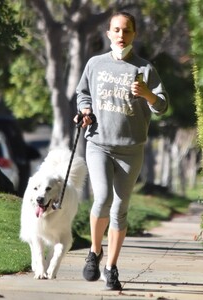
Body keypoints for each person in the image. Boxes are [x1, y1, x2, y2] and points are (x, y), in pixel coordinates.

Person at [74, 11, 169, 291]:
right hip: (99, 143)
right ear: (108, 33)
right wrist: (85, 111)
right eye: (116, 30)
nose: (120, 35)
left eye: (126, 31)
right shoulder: (95, 64)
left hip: (131, 149)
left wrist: (148, 94)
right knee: (102, 198)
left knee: (120, 209)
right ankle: (94, 251)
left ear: (134, 34)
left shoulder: (145, 68)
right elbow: (83, 94)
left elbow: (162, 106)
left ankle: (111, 267)